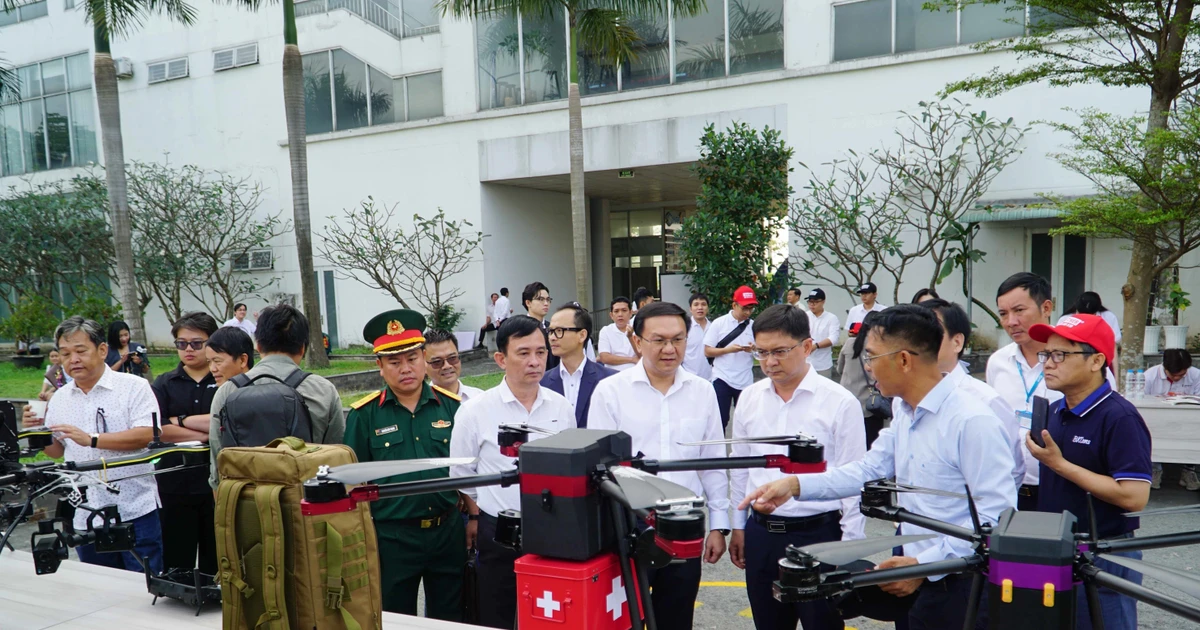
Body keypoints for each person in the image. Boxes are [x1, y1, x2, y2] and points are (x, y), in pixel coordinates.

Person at [739, 305, 1016, 630]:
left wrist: (923, 566)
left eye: (871, 356)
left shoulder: (972, 421)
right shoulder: (905, 411)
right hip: (913, 573)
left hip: (959, 581)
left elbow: (996, 518)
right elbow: (867, 470)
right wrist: (795, 485)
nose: (867, 368)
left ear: (903, 359)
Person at [588, 301, 731, 630]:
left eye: (678, 340)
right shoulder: (610, 392)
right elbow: (597, 468)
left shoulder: (703, 391)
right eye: (659, 340)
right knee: (623, 618)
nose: (670, 349)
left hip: (684, 525)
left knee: (677, 616)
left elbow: (711, 463)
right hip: (626, 526)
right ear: (637, 342)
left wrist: (719, 525)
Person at [729, 304, 866, 630]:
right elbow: (740, 467)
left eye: (779, 351)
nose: (769, 362)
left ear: (806, 347)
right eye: (760, 352)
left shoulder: (839, 402)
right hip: (762, 533)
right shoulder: (749, 398)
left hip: (819, 535)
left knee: (823, 623)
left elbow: (853, 477)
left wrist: (849, 549)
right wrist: (738, 525)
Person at [1026, 314, 1151, 630]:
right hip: (1055, 549)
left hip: (1104, 551)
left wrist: (1060, 464)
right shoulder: (1054, 411)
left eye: (1061, 355)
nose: (1048, 364)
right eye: (1046, 354)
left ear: (1096, 361)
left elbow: (1134, 497)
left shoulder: (1120, 417)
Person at [451, 316, 574, 629]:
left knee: (551, 613)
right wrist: (482, 514)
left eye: (541, 352)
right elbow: (463, 474)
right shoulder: (475, 411)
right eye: (523, 353)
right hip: (498, 531)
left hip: (552, 528)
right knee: (498, 613)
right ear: (500, 359)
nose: (534, 361)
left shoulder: (561, 407)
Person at [344, 310, 466, 619]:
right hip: (392, 538)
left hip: (447, 531)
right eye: (394, 362)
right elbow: (353, 482)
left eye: (412, 358)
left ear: (424, 358)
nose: (405, 368)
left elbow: (468, 470)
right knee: (395, 617)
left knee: (450, 616)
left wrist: (474, 518)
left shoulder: (452, 407)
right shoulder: (364, 416)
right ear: (380, 367)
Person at [22, 317, 164, 574]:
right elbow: (58, 451)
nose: (72, 359)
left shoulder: (134, 387)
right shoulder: (60, 398)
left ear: (102, 350)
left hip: (134, 509)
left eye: (80, 351)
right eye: (65, 353)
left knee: (145, 590)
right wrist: (36, 432)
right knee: (100, 590)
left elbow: (147, 434)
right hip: (85, 513)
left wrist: (92, 439)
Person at [207, 304, 346, 488]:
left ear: (257, 344)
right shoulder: (323, 390)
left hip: (246, 505)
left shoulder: (227, 391)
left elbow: (218, 466)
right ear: (303, 348)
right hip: (307, 504)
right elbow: (335, 456)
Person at [920, 299, 1024, 490]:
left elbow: (1012, 472)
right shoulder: (904, 400)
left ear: (957, 342)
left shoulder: (987, 401)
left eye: (931, 333)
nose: (919, 344)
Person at [151, 312, 220, 577]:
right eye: (181, 344)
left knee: (215, 563)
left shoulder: (223, 381)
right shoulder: (164, 383)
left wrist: (179, 422)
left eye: (196, 343)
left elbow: (226, 423)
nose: (188, 350)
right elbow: (160, 430)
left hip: (215, 484)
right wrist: (205, 434)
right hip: (174, 484)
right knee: (176, 563)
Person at [986, 272, 1061, 512]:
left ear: (1046, 307)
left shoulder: (1077, 360)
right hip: (1009, 487)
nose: (1011, 322)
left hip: (1061, 486)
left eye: (1019, 311)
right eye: (1003, 314)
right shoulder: (998, 362)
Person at [540, 303, 615, 427]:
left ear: (582, 335)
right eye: (550, 331)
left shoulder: (608, 380)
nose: (552, 337)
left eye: (559, 331)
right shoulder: (542, 383)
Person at [1145, 349, 1200, 490]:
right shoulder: (1150, 375)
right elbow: (1142, 399)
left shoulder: (1196, 375)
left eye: (1181, 375)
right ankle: (1155, 468)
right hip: (1157, 419)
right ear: (1165, 367)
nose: (1177, 378)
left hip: (1188, 419)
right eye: (1173, 375)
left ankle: (1188, 469)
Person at [705, 285, 759, 430]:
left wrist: (753, 349)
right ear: (734, 305)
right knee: (720, 420)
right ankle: (718, 451)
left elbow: (762, 352)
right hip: (722, 377)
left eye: (751, 308)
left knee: (747, 420)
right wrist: (727, 350)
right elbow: (707, 351)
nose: (748, 312)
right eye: (744, 308)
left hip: (745, 379)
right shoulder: (719, 323)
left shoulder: (754, 326)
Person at [838, 312, 887, 449]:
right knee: (871, 445)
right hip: (870, 405)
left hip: (847, 400)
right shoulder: (879, 347)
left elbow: (839, 369)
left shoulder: (849, 343)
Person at [421, 328, 484, 401]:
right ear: (424, 366)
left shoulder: (480, 398)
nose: (447, 366)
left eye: (452, 358)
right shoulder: (421, 407)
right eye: (437, 362)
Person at [522, 281, 560, 371]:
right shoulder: (520, 328)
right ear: (528, 303)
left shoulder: (552, 328)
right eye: (541, 299)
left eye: (548, 299)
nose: (546, 303)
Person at [804, 288, 840, 379]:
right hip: (805, 363)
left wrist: (816, 346)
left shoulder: (831, 318)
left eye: (815, 302)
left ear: (823, 301)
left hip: (823, 364)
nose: (812, 305)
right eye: (810, 302)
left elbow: (833, 338)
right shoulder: (804, 316)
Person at [598, 297, 639, 372]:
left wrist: (630, 337)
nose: (620, 314)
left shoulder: (638, 329)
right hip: (612, 374)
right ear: (611, 315)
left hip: (634, 373)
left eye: (624, 310)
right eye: (616, 311)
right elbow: (604, 358)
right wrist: (632, 359)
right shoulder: (606, 331)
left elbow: (642, 356)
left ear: (630, 313)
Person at [683, 292, 713, 379]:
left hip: (711, 379)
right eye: (696, 305)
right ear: (690, 309)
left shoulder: (714, 328)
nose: (700, 308)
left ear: (708, 308)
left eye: (703, 304)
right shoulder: (685, 328)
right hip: (689, 377)